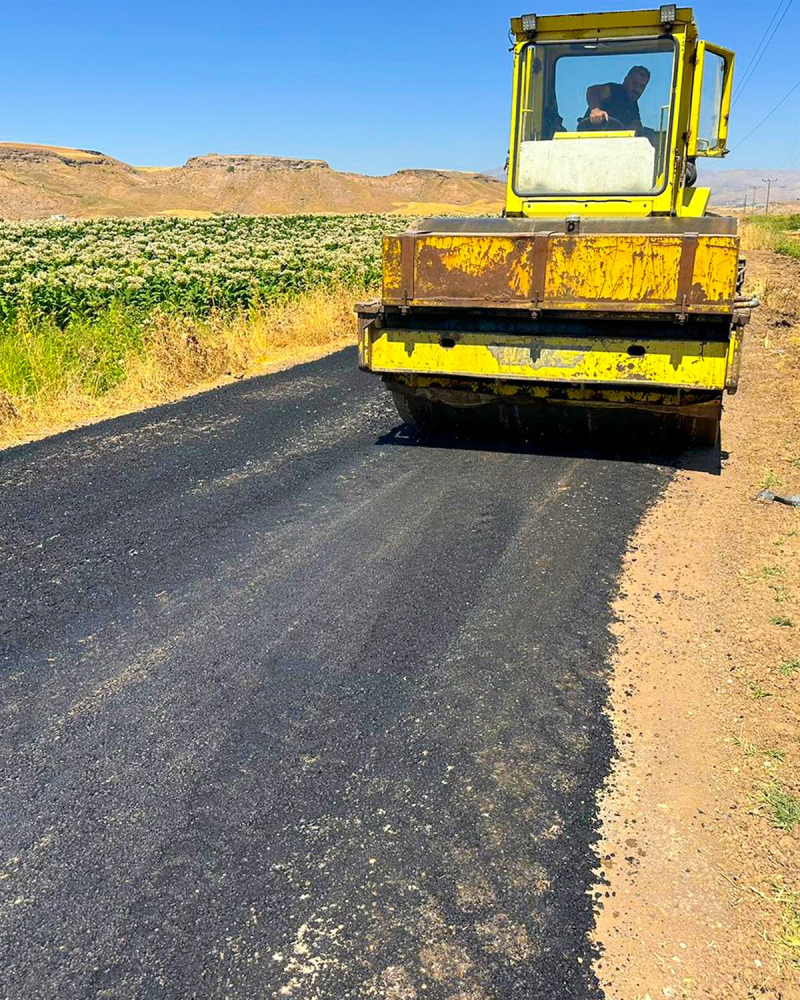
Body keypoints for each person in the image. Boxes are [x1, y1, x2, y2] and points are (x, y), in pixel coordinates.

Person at [582, 65, 650, 132]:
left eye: (642, 86)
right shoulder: (615, 91)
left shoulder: (633, 106)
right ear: (626, 80)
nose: (637, 89)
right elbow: (593, 91)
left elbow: (636, 124)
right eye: (634, 83)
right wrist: (595, 109)